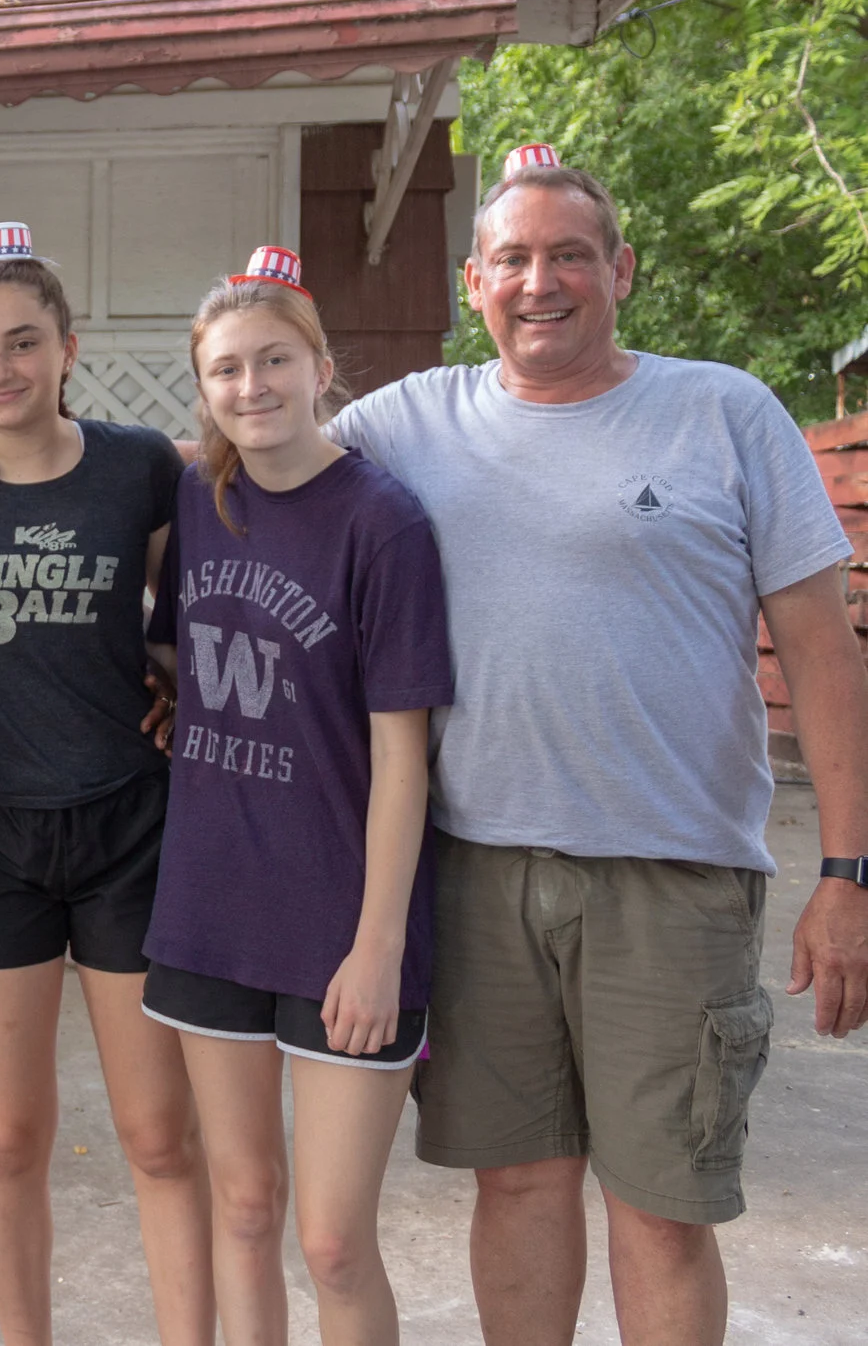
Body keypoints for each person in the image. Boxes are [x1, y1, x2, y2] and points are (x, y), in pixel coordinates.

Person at [326, 150, 868, 1346]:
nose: (541, 281)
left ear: (619, 270)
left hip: (670, 880)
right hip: (472, 873)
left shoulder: (721, 411)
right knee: (514, 1182)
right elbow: (246, 479)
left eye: (569, 254)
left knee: (664, 1209)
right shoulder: (405, 422)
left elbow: (825, 653)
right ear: (473, 282)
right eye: (512, 258)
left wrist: (846, 873)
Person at [0, 222, 213, 1346]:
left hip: (130, 823)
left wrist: (171, 675)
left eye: (22, 342)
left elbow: (194, 610)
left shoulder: (141, 465)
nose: (0, 369)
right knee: (7, 1135)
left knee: (159, 1133)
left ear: (67, 346)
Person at [140, 247, 453, 1345]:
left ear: (323, 368)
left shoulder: (383, 522)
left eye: (274, 359)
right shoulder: (197, 497)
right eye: (226, 368)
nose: (250, 385)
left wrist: (376, 945)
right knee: (241, 1203)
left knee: (331, 1236)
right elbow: (182, 659)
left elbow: (402, 757)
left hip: (340, 921)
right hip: (209, 907)